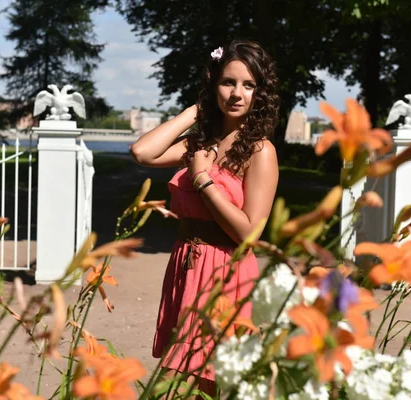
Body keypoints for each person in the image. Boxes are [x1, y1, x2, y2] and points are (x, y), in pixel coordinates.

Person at [130, 39, 280, 396]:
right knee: (181, 380)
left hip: (226, 269)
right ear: (214, 85)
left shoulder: (260, 151)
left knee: (214, 381)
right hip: (187, 261)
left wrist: (203, 180)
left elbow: (249, 232)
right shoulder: (201, 141)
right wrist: (195, 112)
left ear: (260, 93)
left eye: (248, 85)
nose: (237, 94)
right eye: (228, 82)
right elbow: (142, 152)